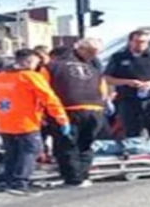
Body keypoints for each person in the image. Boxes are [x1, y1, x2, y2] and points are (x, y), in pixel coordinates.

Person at [0, 49, 70, 196]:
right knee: (30, 151)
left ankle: (9, 181)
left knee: (12, 153)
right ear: (28, 61)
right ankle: (20, 183)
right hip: (26, 122)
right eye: (35, 63)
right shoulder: (31, 77)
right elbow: (49, 98)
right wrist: (61, 118)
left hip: (4, 122)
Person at [47, 38, 108, 188]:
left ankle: (74, 179)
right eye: (91, 52)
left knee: (67, 145)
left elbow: (44, 89)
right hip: (93, 109)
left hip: (69, 109)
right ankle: (82, 176)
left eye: (95, 53)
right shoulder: (94, 68)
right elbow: (103, 91)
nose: (93, 56)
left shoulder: (52, 66)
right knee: (85, 144)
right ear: (79, 49)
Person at [104, 30, 150, 138]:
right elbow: (107, 78)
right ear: (130, 42)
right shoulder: (118, 58)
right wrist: (127, 82)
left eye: (144, 42)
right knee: (132, 131)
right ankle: (137, 151)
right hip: (127, 100)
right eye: (137, 41)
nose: (141, 44)